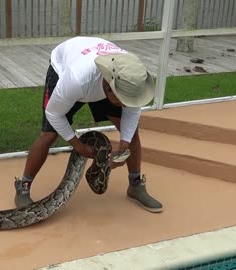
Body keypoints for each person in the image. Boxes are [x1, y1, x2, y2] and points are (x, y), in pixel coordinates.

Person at [13, 36, 163, 213]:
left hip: (101, 77)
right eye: (122, 101)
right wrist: (79, 146)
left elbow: (131, 114)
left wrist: (123, 147)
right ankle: (23, 186)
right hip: (67, 67)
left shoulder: (132, 80)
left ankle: (135, 184)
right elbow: (53, 114)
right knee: (49, 134)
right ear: (109, 87)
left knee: (131, 134)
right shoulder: (76, 80)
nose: (125, 105)